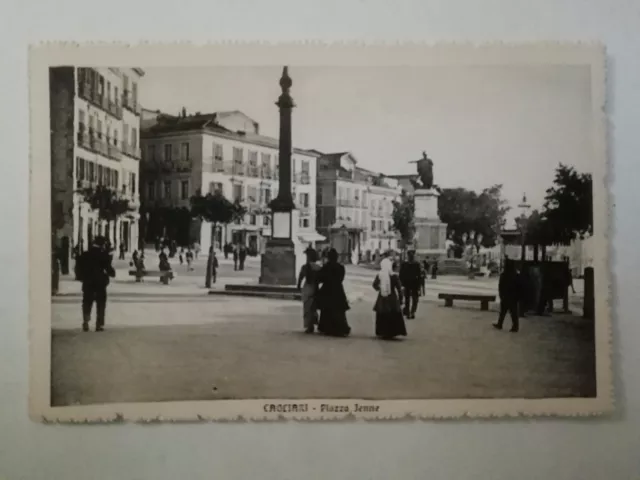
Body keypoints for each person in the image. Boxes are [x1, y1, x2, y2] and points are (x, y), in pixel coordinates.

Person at [76, 236, 116, 332]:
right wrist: (112, 273)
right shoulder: (104, 255)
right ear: (102, 244)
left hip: (88, 282)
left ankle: (86, 322)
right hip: (100, 283)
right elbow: (109, 269)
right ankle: (99, 324)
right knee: (101, 303)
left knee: (87, 302)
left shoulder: (85, 254)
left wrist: (81, 278)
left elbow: (78, 267)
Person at [316, 248, 351, 337]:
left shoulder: (326, 267)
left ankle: (327, 327)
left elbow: (320, 278)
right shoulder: (341, 267)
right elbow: (341, 278)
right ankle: (340, 328)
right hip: (338, 289)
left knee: (327, 310)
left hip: (327, 289)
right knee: (338, 310)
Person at [373, 258, 407, 340]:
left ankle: (383, 331)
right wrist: (401, 299)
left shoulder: (379, 275)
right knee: (392, 313)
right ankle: (392, 331)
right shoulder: (394, 276)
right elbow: (399, 288)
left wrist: (380, 288)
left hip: (382, 297)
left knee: (382, 313)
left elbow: (374, 285)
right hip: (392, 298)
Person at [297, 248, 321, 333]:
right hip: (315, 288)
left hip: (307, 288)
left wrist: (298, 286)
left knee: (307, 307)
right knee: (313, 308)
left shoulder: (305, 267)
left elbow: (300, 278)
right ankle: (314, 323)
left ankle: (309, 326)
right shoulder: (318, 267)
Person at [493, 261, 521, 333]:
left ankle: (500, 324)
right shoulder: (516, 275)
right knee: (514, 312)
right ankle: (515, 326)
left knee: (503, 312)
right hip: (513, 297)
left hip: (505, 296)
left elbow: (500, 286)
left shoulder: (504, 275)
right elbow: (519, 287)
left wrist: (501, 295)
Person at [399, 250, 422, 319]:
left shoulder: (415, 264)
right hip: (408, 284)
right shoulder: (406, 264)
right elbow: (401, 275)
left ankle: (411, 312)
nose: (411, 256)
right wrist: (402, 284)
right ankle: (410, 312)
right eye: (410, 255)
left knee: (412, 299)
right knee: (409, 299)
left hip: (412, 284)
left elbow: (419, 276)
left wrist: (419, 286)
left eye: (411, 255)